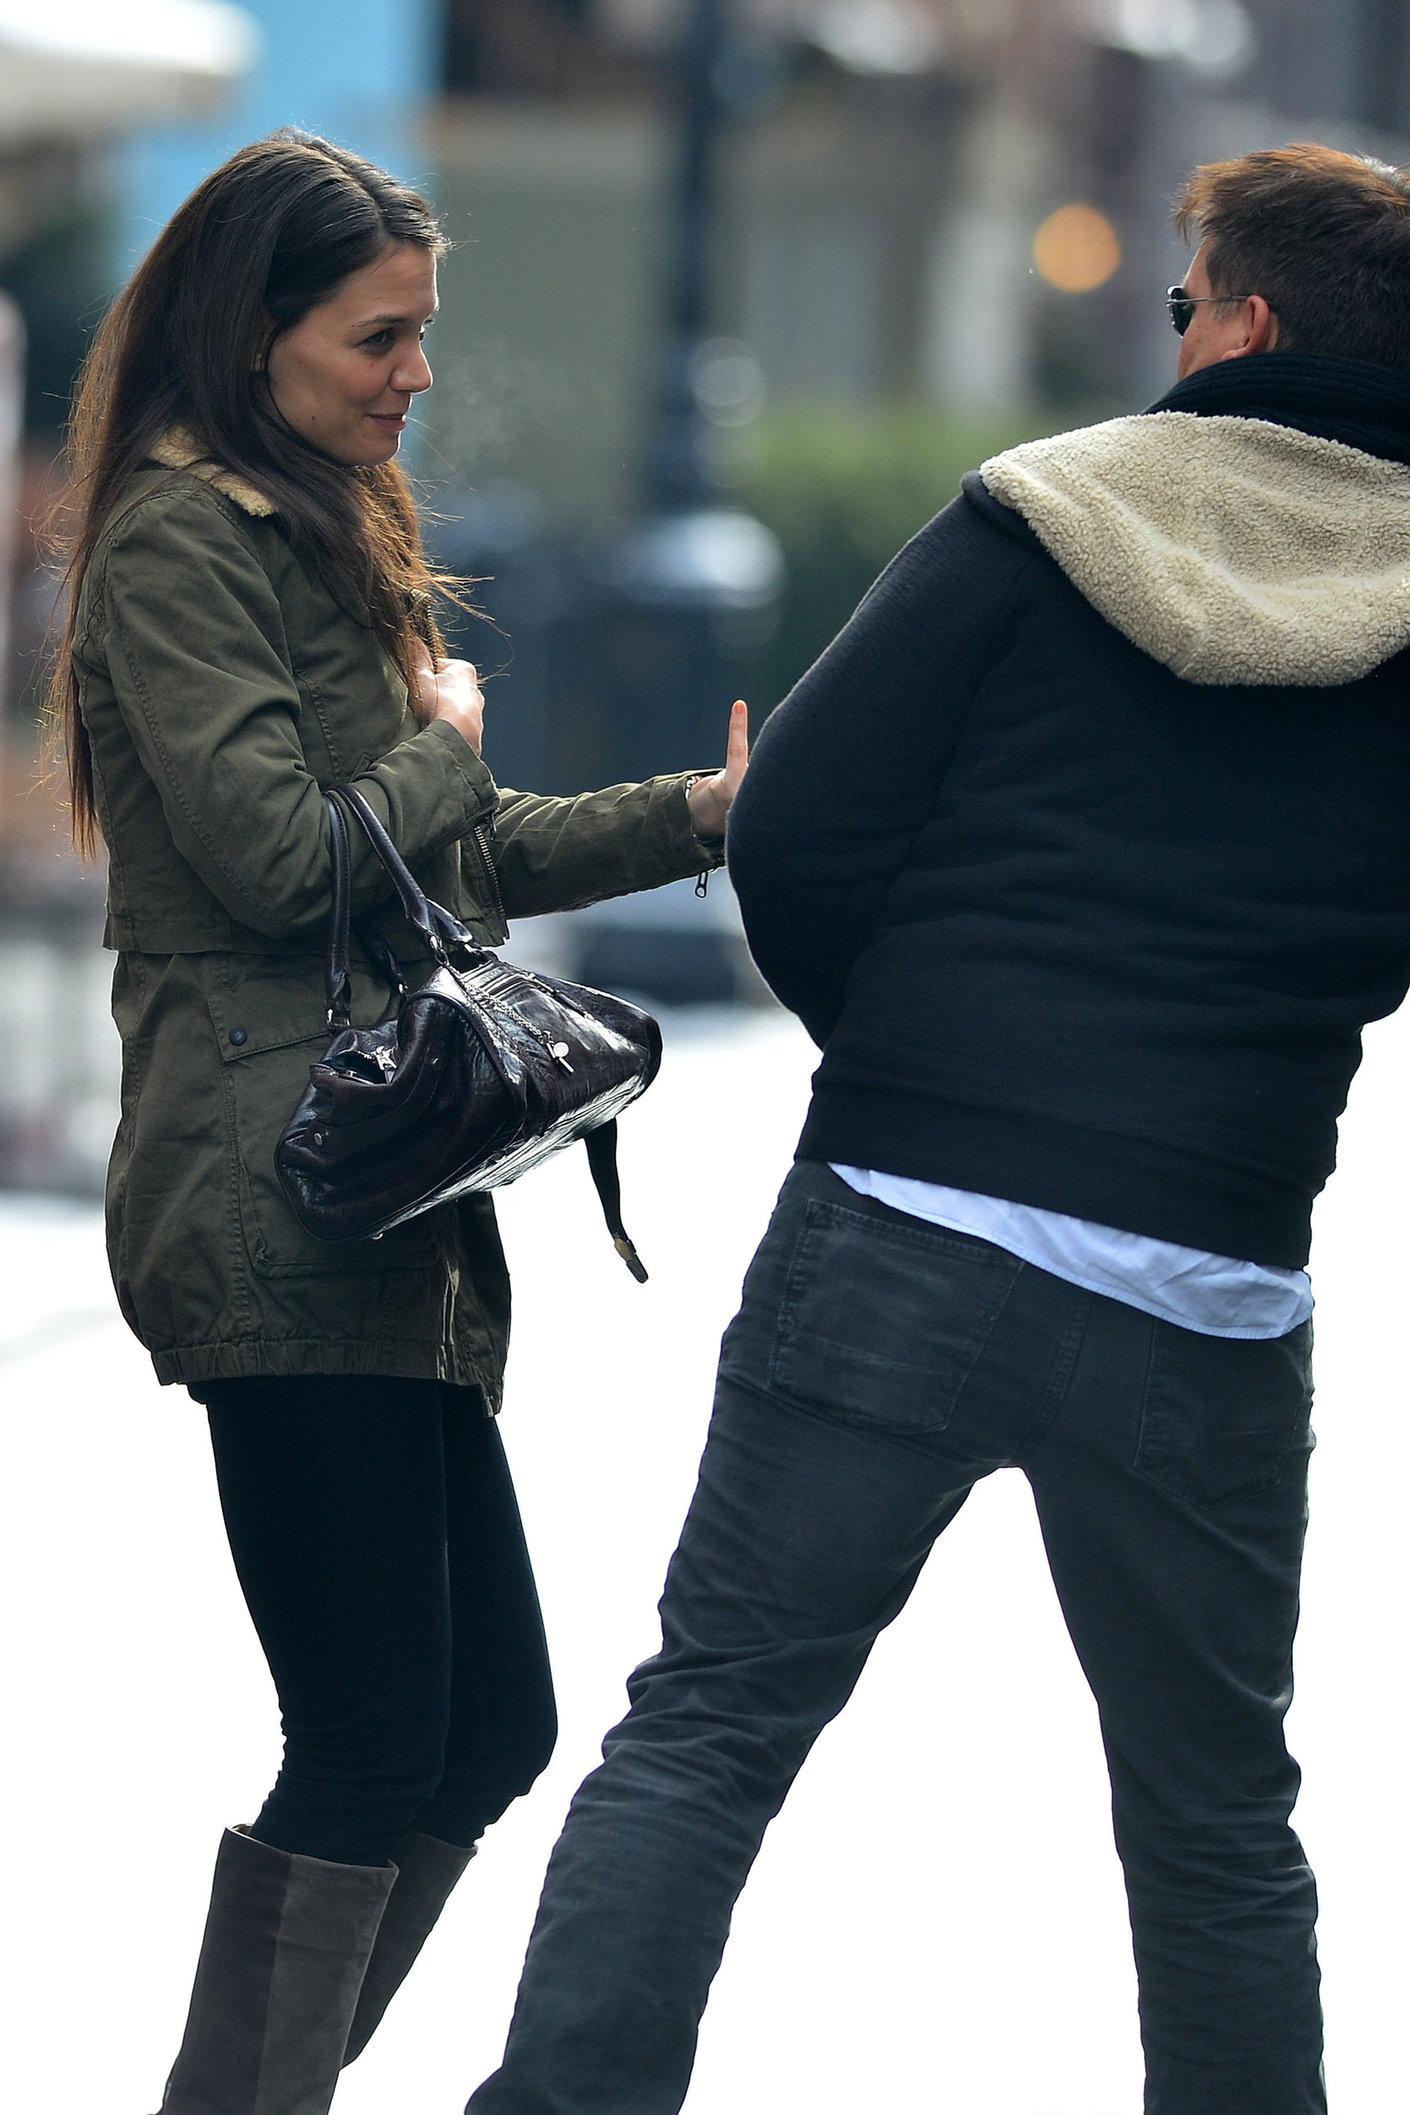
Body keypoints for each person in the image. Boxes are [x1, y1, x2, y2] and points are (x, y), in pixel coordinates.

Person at [463, 142, 1410, 2115]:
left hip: (905, 1212)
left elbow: (798, 823)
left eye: (1183, 304)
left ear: (1242, 323)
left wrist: (905, 1055)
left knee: (711, 1724)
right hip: (1213, 1265)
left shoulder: (1045, 513)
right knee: (1219, 1814)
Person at [46, 130, 747, 2115]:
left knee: (483, 1722)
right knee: (370, 1738)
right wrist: (426, 738)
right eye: (379, 334)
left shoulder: (310, 535)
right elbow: (286, 857)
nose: (413, 371)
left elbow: (454, 856)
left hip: (383, 1193)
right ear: (253, 330)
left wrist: (690, 821)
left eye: (422, 334)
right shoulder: (185, 544)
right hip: (273, 1194)